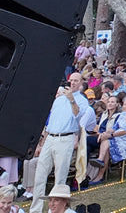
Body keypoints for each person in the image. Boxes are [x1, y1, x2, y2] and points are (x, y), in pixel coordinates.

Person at [29, 73, 88, 213]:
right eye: (71, 80)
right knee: (39, 176)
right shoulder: (58, 100)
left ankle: (55, 210)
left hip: (65, 138)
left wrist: (72, 99)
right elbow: (51, 122)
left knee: (60, 177)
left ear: (81, 83)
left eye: (76, 81)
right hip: (51, 137)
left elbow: (77, 115)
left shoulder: (82, 100)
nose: (72, 83)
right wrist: (42, 142)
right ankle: (35, 210)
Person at [91, 94, 126, 182]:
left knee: (108, 140)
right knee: (106, 140)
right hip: (118, 136)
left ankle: (100, 166)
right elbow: (114, 127)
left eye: (125, 104)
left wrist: (110, 135)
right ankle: (100, 172)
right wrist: (105, 133)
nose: (123, 106)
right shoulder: (123, 114)